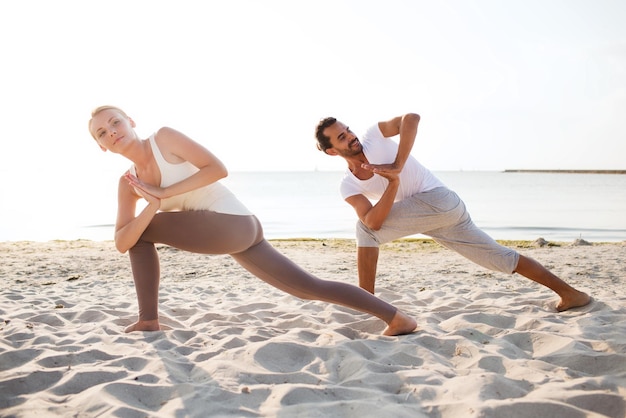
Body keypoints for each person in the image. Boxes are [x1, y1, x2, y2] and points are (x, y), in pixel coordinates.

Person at [87, 106, 417, 336]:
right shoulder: (127, 183)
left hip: (231, 223)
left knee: (142, 234)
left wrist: (161, 191)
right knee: (308, 288)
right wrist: (152, 204)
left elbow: (217, 169)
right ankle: (396, 317)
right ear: (100, 146)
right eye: (102, 132)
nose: (112, 132)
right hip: (240, 231)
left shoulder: (164, 139)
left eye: (115, 122)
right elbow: (121, 242)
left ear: (130, 120)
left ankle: (148, 320)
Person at [314, 113, 591, 311]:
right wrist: (393, 184)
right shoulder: (348, 185)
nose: (350, 136)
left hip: (438, 201)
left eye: (347, 129)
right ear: (331, 151)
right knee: (502, 258)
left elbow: (411, 118)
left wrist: (397, 165)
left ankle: (366, 303)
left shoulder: (374, 136)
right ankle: (571, 294)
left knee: (363, 230)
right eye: (341, 136)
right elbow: (373, 221)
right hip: (436, 218)